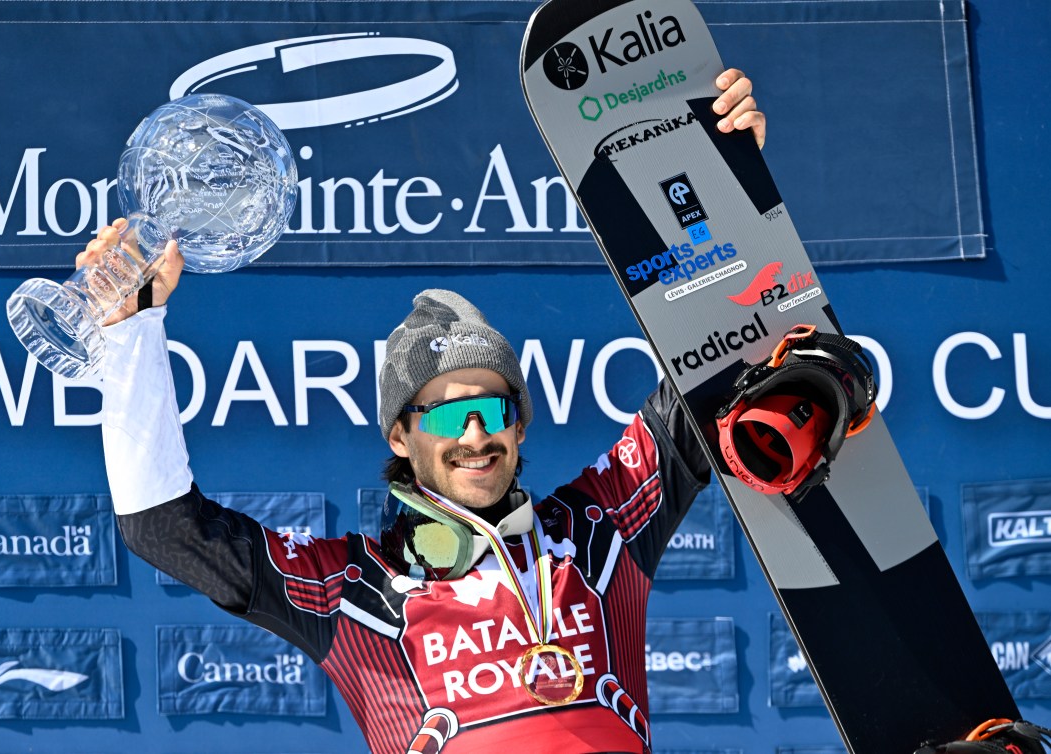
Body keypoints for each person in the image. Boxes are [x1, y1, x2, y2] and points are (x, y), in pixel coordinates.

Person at [85, 71, 765, 754]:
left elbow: (707, 368)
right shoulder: (354, 590)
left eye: (493, 408)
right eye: (443, 416)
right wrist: (131, 333)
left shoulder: (600, 530)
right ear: (401, 436)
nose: (475, 434)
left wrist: (719, 190)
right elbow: (164, 529)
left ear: (521, 422)